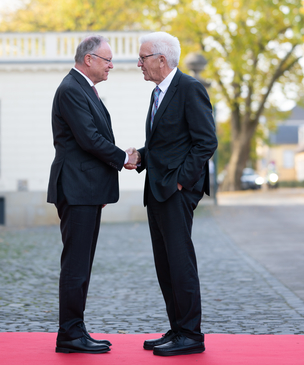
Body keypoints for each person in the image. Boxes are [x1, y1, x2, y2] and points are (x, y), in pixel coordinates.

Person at [125, 31, 218, 356]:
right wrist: (141, 158)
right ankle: (177, 328)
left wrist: (181, 182)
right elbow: (166, 144)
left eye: (143, 58)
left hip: (175, 192)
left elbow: (206, 141)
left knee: (180, 263)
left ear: (161, 60)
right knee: (165, 265)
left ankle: (191, 334)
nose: (139, 64)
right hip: (157, 191)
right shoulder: (157, 94)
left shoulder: (190, 88)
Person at [47, 35, 137, 354]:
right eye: (107, 60)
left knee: (81, 264)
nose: (111, 65)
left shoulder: (83, 88)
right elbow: (89, 139)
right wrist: (124, 158)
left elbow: (91, 137)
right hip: (76, 189)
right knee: (76, 264)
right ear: (89, 60)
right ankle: (70, 334)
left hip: (85, 189)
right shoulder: (72, 89)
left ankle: (75, 328)